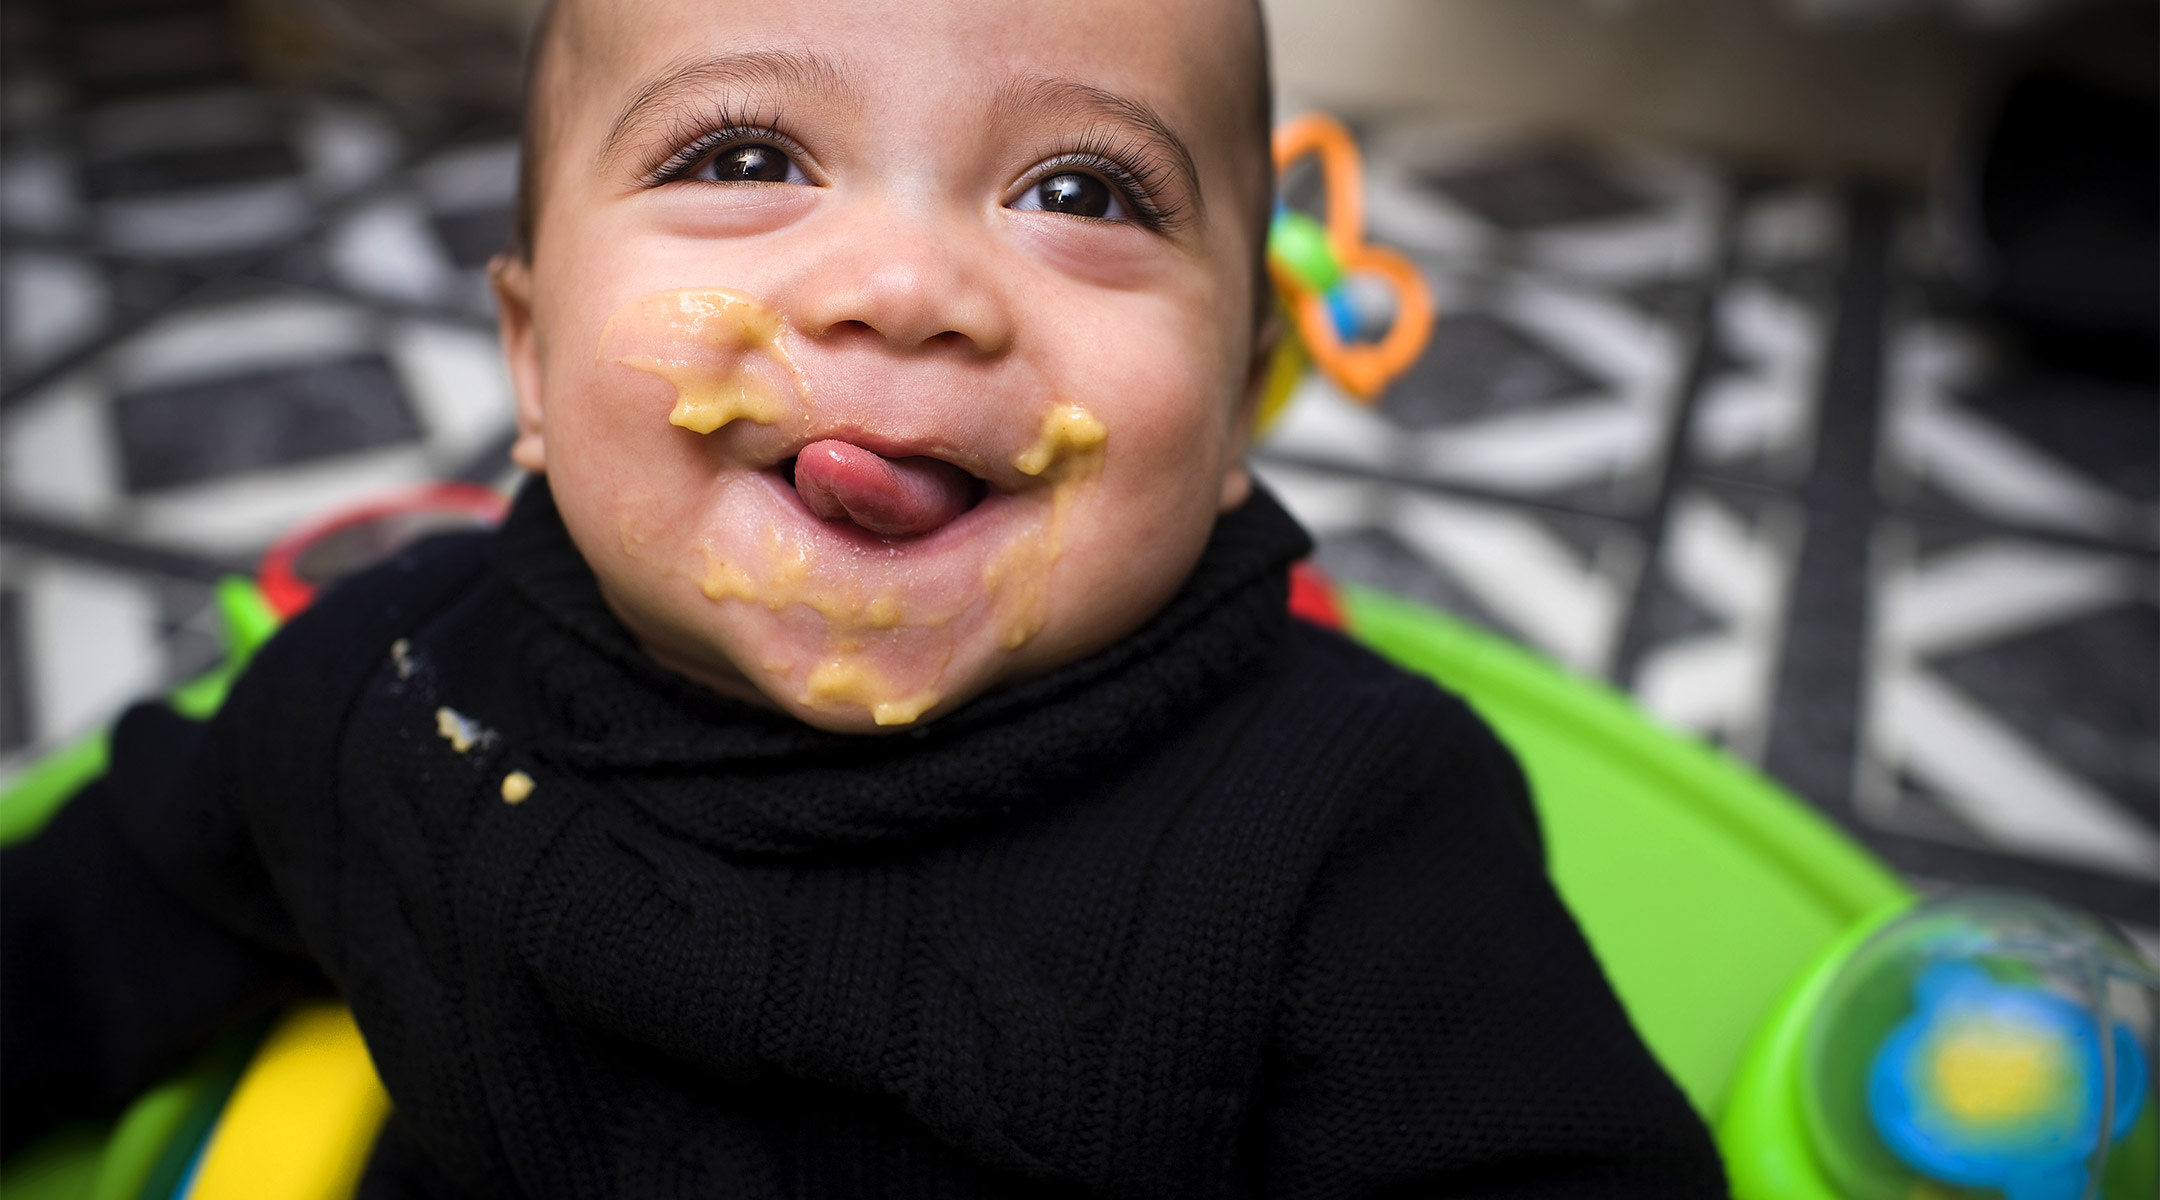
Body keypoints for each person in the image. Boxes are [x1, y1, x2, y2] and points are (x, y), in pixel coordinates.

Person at [1, 0, 1728, 1194]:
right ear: (529, 358)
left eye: (1080, 193)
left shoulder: (1346, 830)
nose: (906, 289)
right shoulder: (400, 691)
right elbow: (91, 919)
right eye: (745, 155)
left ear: (1235, 402)